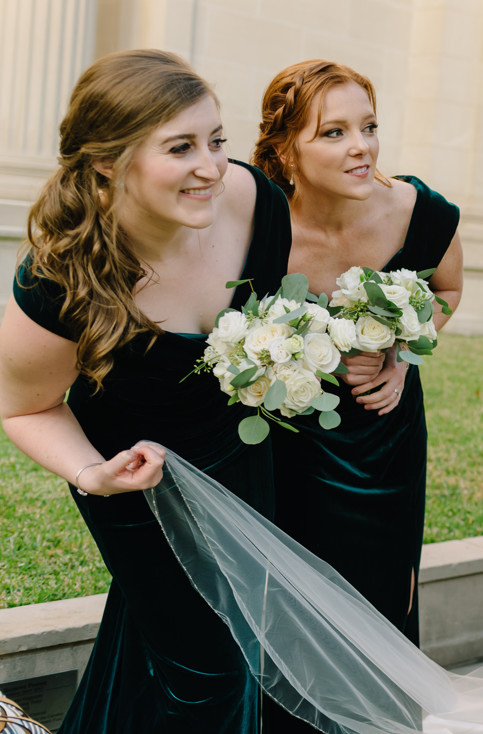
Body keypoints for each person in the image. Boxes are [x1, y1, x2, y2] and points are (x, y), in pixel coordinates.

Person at [0, 50, 293, 733]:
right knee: (208, 670)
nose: (212, 167)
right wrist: (90, 473)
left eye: (217, 141)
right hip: (137, 488)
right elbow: (23, 404)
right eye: (181, 147)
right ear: (107, 162)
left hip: (244, 461)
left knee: (202, 645)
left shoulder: (257, 205)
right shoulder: (60, 281)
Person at [251, 61, 463, 646]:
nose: (361, 148)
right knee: (293, 597)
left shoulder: (418, 211)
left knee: (383, 586)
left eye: (368, 128)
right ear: (287, 151)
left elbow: (447, 291)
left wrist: (403, 353)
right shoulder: (256, 225)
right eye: (334, 132)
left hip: (383, 433)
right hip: (289, 440)